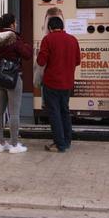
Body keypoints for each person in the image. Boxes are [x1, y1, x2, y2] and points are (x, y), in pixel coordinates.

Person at [0, 13, 32, 154]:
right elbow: (27, 54)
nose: (16, 25)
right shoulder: (13, 38)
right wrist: (27, 45)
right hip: (13, 77)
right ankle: (14, 144)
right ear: (11, 24)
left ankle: (0, 143)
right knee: (14, 113)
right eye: (15, 23)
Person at [37, 16, 81, 152]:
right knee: (65, 112)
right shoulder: (73, 40)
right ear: (62, 27)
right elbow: (78, 61)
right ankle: (67, 141)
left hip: (52, 83)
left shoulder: (48, 39)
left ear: (50, 28)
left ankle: (59, 144)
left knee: (54, 113)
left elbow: (41, 62)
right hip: (67, 83)